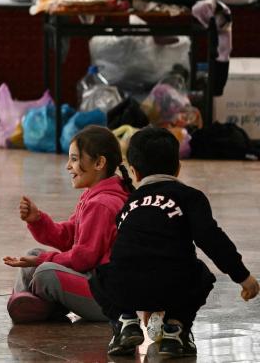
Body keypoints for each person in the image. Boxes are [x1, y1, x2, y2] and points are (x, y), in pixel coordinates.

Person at [90, 127, 260, 357]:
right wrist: (242, 276)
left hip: (126, 288)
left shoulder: (128, 205)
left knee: (99, 276)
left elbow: (138, 251)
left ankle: (125, 321)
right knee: (201, 275)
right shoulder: (190, 197)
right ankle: (175, 330)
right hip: (173, 285)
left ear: (135, 172)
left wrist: (146, 301)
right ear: (178, 168)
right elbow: (211, 239)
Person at [3, 125, 133, 323]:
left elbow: (82, 259)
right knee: (33, 255)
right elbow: (68, 236)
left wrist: (42, 261)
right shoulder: (93, 195)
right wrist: (37, 220)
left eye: (74, 159)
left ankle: (36, 306)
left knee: (46, 273)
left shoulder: (102, 204)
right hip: (91, 281)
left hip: (106, 300)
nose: (68, 166)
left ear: (99, 163)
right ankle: (28, 304)